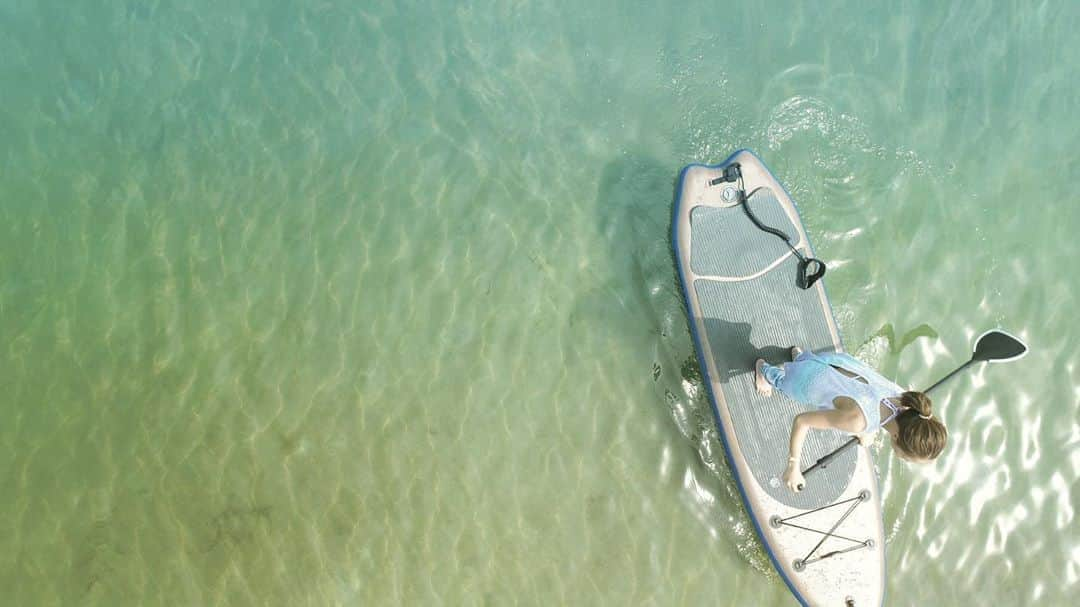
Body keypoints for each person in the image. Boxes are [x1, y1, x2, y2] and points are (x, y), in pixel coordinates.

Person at [753, 347, 948, 492]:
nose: (903, 459)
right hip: (807, 380)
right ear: (896, 437)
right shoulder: (857, 421)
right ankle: (764, 371)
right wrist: (793, 466)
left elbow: (872, 406)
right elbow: (802, 421)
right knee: (783, 382)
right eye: (906, 457)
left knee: (812, 367)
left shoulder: (906, 400)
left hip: (833, 361)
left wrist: (865, 431)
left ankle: (802, 358)